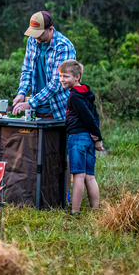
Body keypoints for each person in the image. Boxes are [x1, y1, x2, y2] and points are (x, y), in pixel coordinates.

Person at [59, 60, 103, 215]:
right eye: (60, 76)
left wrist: (97, 136)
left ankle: (75, 211)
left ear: (77, 77)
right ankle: (95, 211)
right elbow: (95, 116)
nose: (62, 79)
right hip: (89, 140)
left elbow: (88, 118)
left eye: (66, 76)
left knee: (78, 175)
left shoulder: (75, 96)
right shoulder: (87, 94)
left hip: (77, 138)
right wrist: (97, 138)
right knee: (90, 177)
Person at [12, 11, 76, 119]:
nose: (35, 37)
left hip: (57, 111)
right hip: (35, 110)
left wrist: (30, 103)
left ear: (50, 29)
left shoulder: (63, 46)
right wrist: (22, 93)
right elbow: (27, 71)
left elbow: (57, 83)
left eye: (39, 33)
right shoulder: (32, 41)